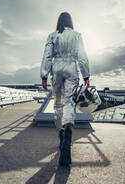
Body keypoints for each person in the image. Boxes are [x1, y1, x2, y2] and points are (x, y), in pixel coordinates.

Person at [40, 12, 90, 167]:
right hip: (71, 68)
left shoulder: (52, 36)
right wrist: (86, 75)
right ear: (71, 22)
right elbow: (82, 56)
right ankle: (67, 139)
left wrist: (44, 75)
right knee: (69, 104)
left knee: (58, 104)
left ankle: (61, 135)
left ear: (59, 22)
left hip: (57, 69)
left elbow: (47, 56)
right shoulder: (77, 36)